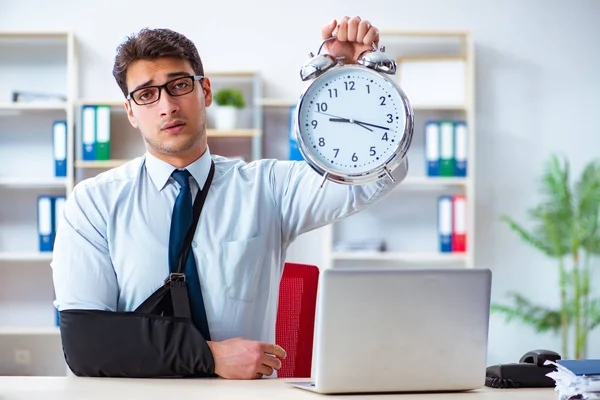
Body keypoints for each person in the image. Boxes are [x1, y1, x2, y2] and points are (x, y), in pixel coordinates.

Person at [51, 16, 408, 380]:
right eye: (146, 94)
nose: (167, 106)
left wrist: (354, 79)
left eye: (178, 85)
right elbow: (85, 341)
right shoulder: (94, 203)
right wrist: (207, 357)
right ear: (131, 111)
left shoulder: (268, 187)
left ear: (205, 91)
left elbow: (370, 177)